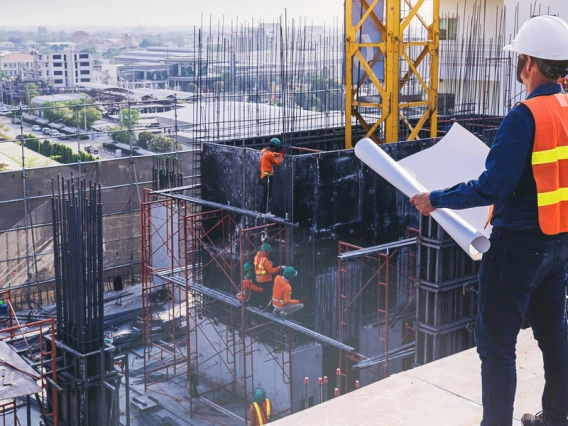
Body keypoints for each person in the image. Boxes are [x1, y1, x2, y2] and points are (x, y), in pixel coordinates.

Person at [410, 15, 568, 426]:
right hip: (558, 243)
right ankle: (557, 418)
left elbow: (493, 186)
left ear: (530, 62)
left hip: (516, 247)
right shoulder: (566, 108)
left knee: (496, 346)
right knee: (555, 336)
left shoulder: (525, 115)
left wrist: (437, 198)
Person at [259, 138, 285, 214]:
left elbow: (272, 154)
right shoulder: (269, 154)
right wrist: (282, 155)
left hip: (263, 176)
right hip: (267, 177)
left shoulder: (264, 151)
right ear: (274, 147)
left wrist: (279, 154)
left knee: (265, 195)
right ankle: (264, 213)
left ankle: (263, 211)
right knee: (267, 196)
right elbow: (277, 163)